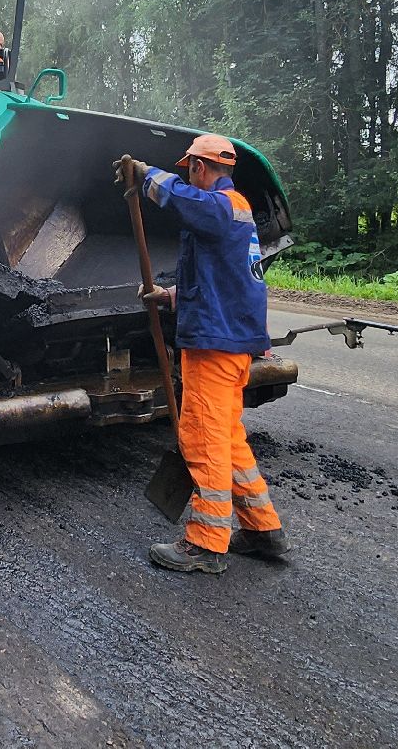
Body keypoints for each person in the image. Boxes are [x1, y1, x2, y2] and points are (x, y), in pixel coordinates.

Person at [119, 134, 290, 574]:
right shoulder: (233, 214)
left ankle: (206, 543)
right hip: (230, 341)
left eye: (189, 169)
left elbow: (182, 200)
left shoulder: (221, 207)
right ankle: (262, 528)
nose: (188, 176)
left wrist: (146, 176)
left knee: (202, 438)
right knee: (227, 437)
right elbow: (222, 280)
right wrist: (170, 296)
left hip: (215, 345)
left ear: (198, 167)